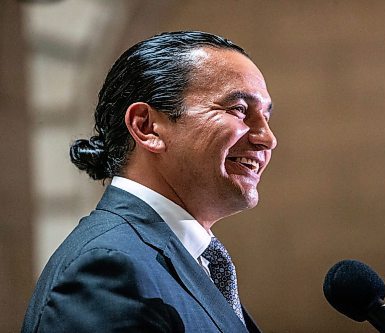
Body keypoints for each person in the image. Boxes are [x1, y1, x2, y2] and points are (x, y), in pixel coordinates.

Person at [22, 31, 277, 333]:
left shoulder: (177, 259)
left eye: (266, 117)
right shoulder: (108, 269)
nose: (267, 139)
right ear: (147, 127)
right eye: (239, 110)